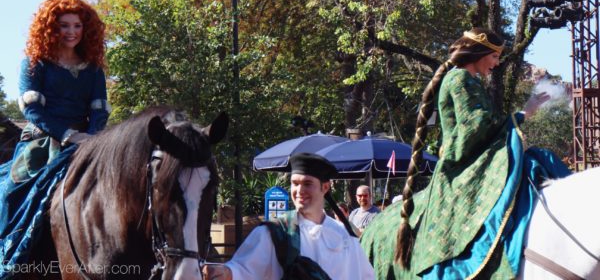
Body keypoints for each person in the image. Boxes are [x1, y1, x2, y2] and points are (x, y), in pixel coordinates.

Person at [360, 28, 571, 279]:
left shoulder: (468, 80)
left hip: (472, 159)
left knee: (538, 162)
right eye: (493, 57)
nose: (496, 63)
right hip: (460, 165)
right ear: (479, 53)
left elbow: (481, 125)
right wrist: (522, 114)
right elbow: (474, 128)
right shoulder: (459, 79)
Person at [0, 0, 110, 273]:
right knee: (11, 192)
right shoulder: (34, 64)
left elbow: (99, 110)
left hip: (87, 143)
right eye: (64, 25)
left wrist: (92, 140)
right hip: (41, 142)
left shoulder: (94, 70)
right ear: (51, 28)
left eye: (77, 26)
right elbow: (33, 112)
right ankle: (8, 258)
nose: (71, 32)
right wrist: (70, 135)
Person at [203, 153, 375, 279]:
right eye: (295, 183)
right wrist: (226, 272)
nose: (299, 191)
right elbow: (242, 269)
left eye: (307, 184)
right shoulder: (275, 233)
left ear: (325, 187)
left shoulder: (345, 238)